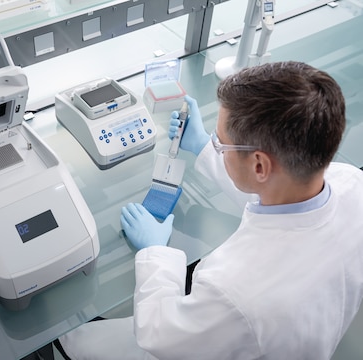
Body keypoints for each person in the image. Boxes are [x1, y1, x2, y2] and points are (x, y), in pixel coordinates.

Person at [57, 61, 363, 359]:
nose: (218, 146)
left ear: (259, 165)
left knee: (76, 339)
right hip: (296, 336)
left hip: (209, 340)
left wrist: (155, 252)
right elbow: (278, 188)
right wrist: (204, 145)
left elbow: (158, 335)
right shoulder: (352, 182)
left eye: (222, 145)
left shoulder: (233, 294)